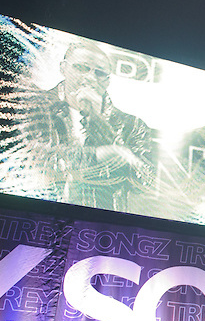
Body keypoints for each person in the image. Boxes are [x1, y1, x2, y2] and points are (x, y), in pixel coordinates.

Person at [23, 41, 153, 211]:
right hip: (42, 215)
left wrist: (99, 122)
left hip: (101, 222)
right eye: (82, 68)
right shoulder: (36, 108)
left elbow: (145, 182)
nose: (90, 77)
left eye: (100, 73)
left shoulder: (132, 125)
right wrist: (97, 155)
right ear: (63, 68)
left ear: (108, 81)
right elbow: (34, 163)